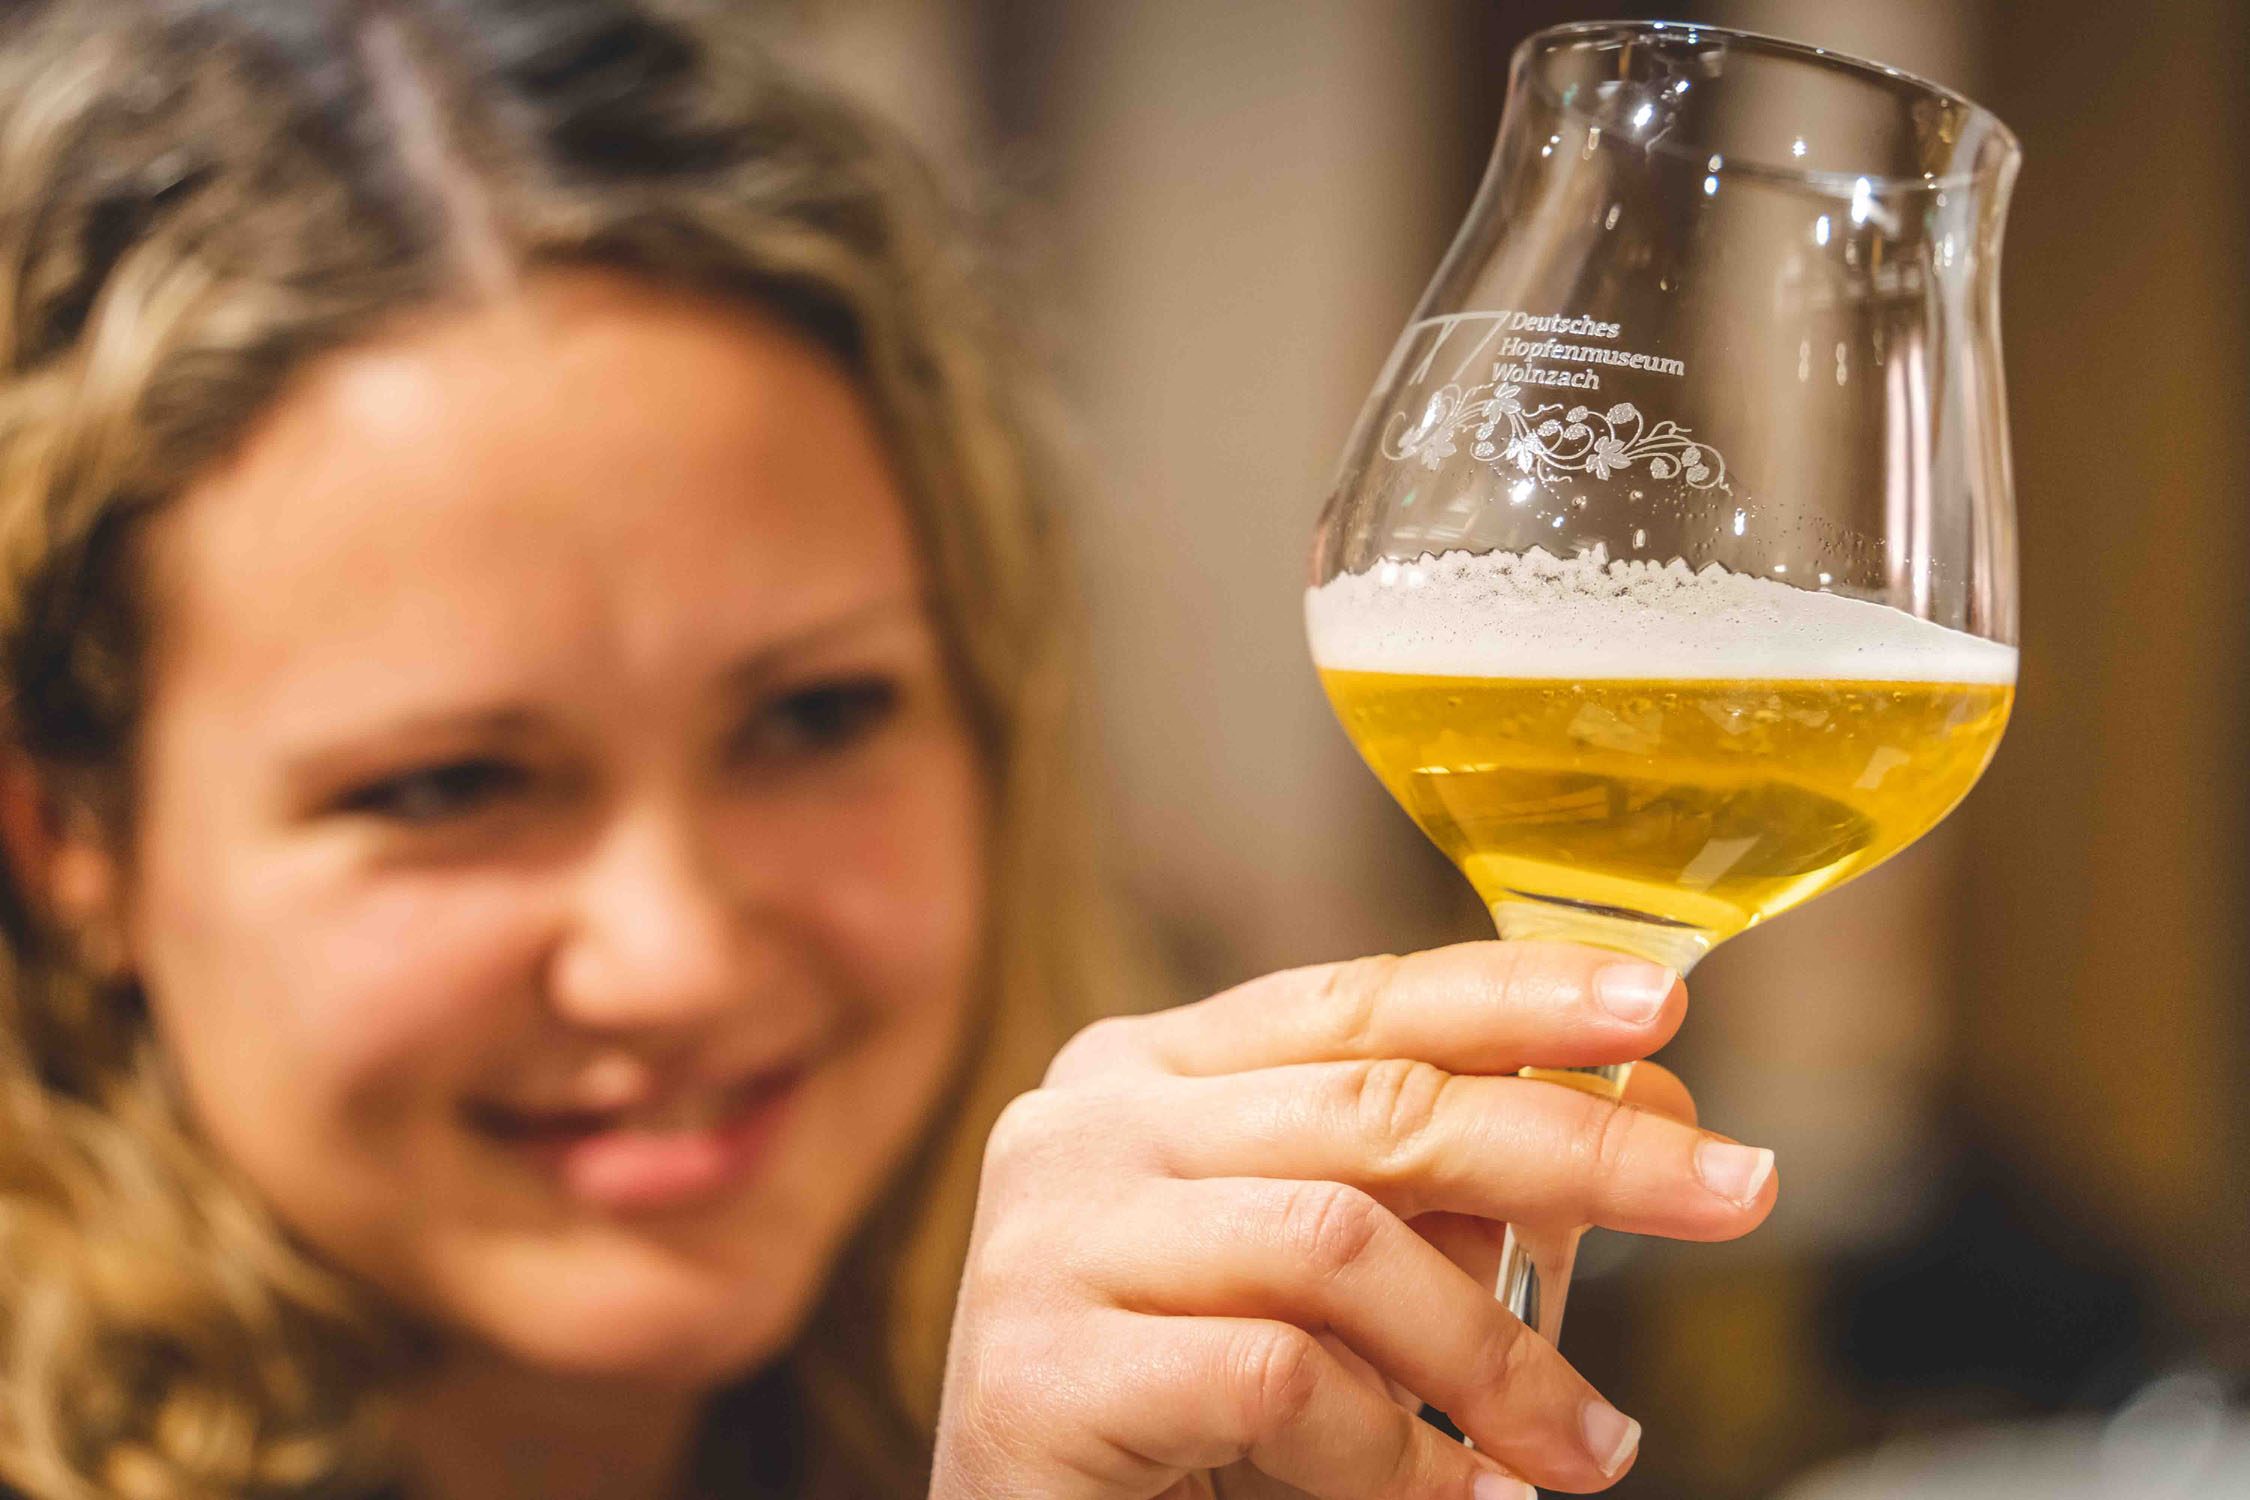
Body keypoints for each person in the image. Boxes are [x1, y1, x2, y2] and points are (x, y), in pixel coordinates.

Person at [0, 3, 1778, 1497]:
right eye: (449, 785)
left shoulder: (1201, 1384)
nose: (676, 955)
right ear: (70, 837)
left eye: (811, 716)